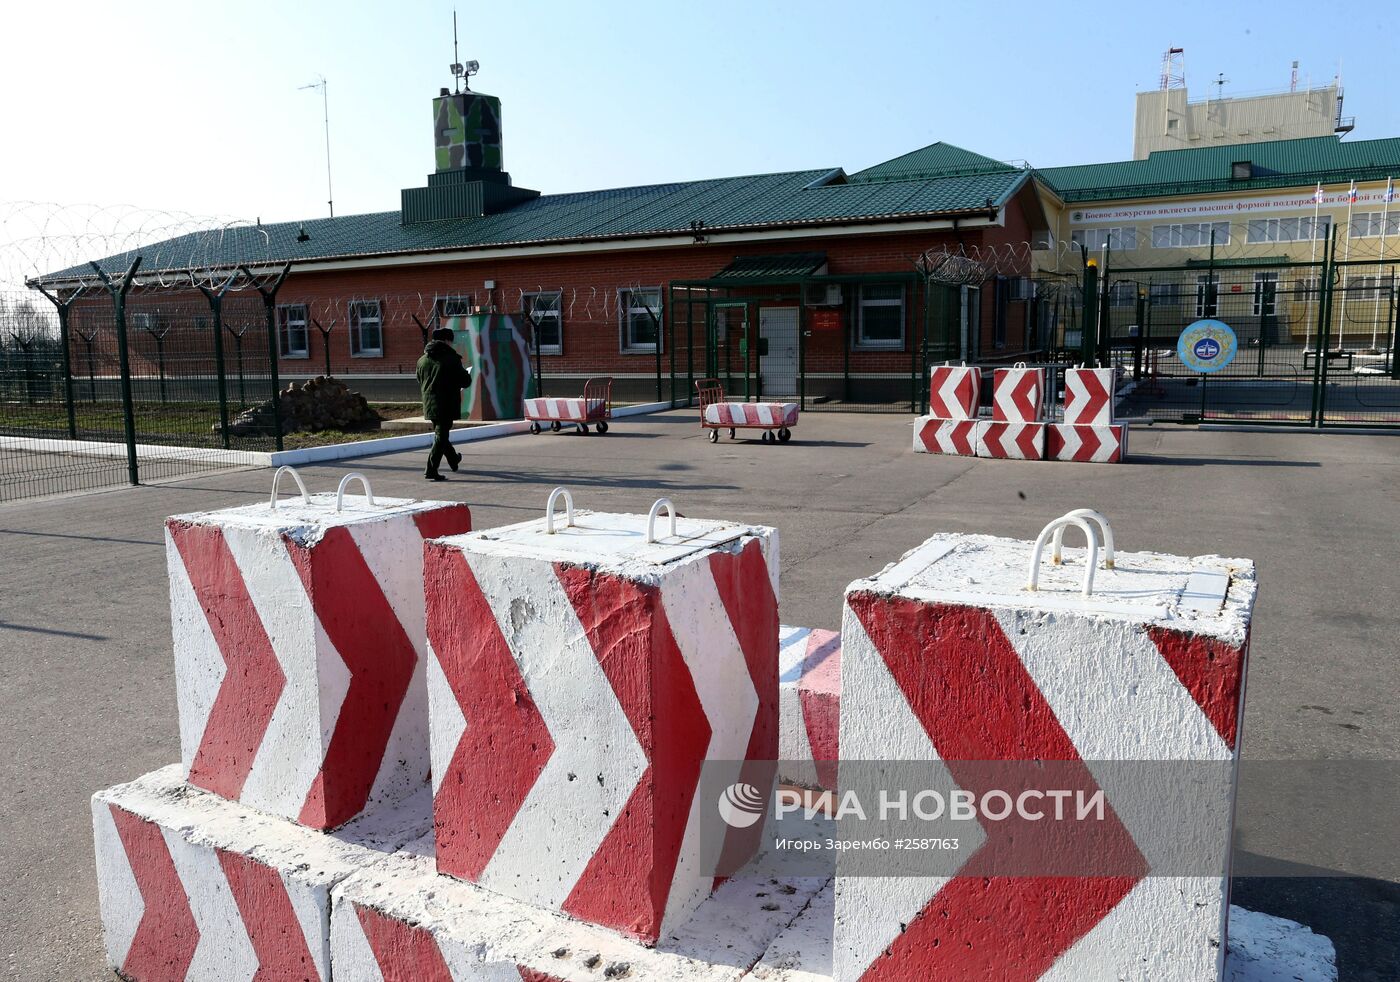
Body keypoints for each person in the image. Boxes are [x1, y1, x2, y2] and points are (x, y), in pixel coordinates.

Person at [416, 327, 472, 481]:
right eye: (451, 341)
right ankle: (431, 470)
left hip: (429, 403)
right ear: (447, 340)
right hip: (446, 403)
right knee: (441, 436)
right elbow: (465, 381)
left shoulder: (422, 359)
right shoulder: (451, 359)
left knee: (441, 434)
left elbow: (419, 379)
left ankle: (453, 459)